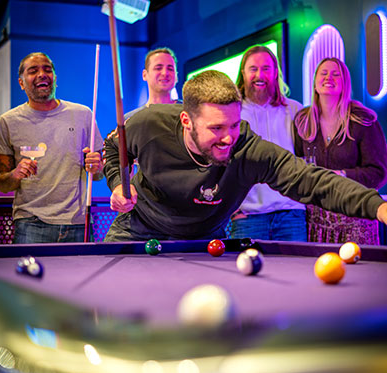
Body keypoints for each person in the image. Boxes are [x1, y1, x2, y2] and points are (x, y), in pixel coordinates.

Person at [102, 70, 387, 242]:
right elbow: (114, 149)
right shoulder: (148, 124)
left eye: (234, 125)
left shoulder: (247, 149)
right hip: (138, 230)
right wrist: (117, 183)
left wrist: (378, 207)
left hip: (205, 240)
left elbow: (312, 181)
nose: (228, 137)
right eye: (216, 128)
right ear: (187, 120)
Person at [0, 52, 104, 243]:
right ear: (21, 82)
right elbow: (3, 184)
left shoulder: (83, 115)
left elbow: (98, 174)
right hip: (31, 224)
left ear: (55, 77)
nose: (42, 74)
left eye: (47, 69)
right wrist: (15, 174)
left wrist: (97, 167)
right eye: (33, 71)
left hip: (78, 223)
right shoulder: (8, 122)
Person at [293, 57, 387, 245]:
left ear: (345, 83)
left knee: (360, 272)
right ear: (315, 82)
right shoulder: (302, 121)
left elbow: (379, 173)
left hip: (357, 217)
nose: (329, 77)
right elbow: (296, 165)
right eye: (324, 73)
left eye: (336, 74)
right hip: (316, 222)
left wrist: (342, 175)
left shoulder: (364, 120)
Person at [230, 45, 306, 241]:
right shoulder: (232, 113)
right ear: (243, 73)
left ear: (275, 73)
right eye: (253, 69)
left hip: (291, 215)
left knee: (296, 272)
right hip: (248, 218)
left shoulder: (295, 110)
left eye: (266, 69)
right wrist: (232, 209)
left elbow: (306, 160)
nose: (259, 75)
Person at [124, 47, 180, 120]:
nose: (165, 73)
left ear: (176, 76)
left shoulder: (190, 111)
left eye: (170, 69)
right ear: (144, 75)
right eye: (158, 68)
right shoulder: (131, 119)